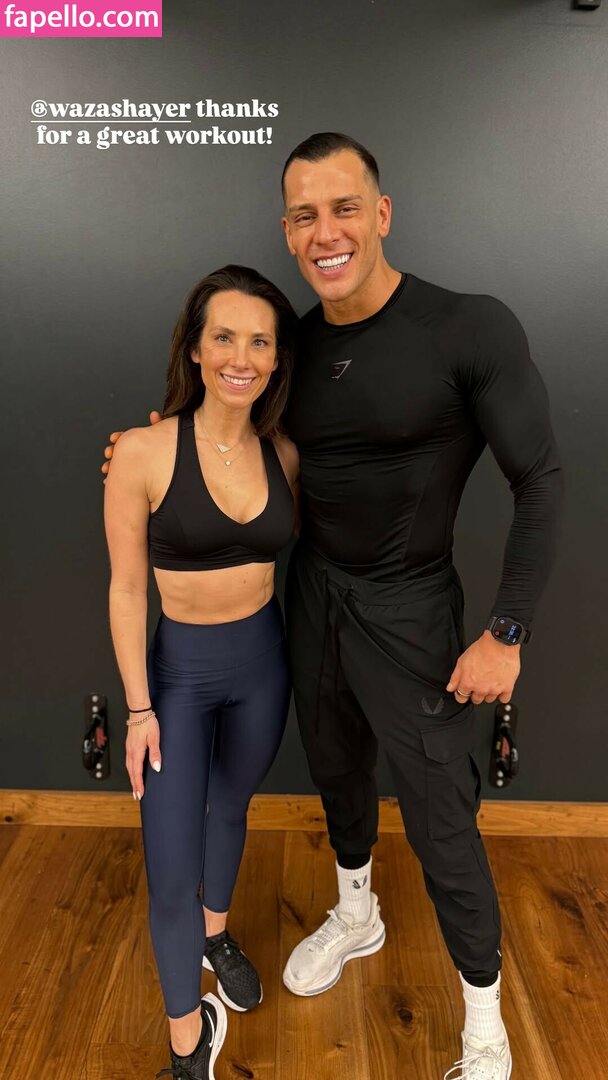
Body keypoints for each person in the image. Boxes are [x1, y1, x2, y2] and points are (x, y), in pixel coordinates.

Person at [103, 134, 562, 1080]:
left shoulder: (467, 327)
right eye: (305, 216)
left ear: (381, 213)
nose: (327, 232)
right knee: (337, 771)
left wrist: (507, 631)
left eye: (345, 208)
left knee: (440, 817)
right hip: (312, 596)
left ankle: (485, 1027)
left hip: (412, 604)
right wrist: (150, 446)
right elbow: (228, 427)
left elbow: (542, 480)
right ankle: (357, 915)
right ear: (288, 231)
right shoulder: (293, 347)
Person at [103, 264, 299, 1080]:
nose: (240, 357)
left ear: (277, 358)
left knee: (231, 807)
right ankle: (189, 1052)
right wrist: (139, 709)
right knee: (168, 871)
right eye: (224, 337)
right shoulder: (141, 451)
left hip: (264, 664)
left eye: (259, 341)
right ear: (194, 347)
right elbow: (125, 589)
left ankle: (218, 936)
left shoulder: (285, 454)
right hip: (178, 677)